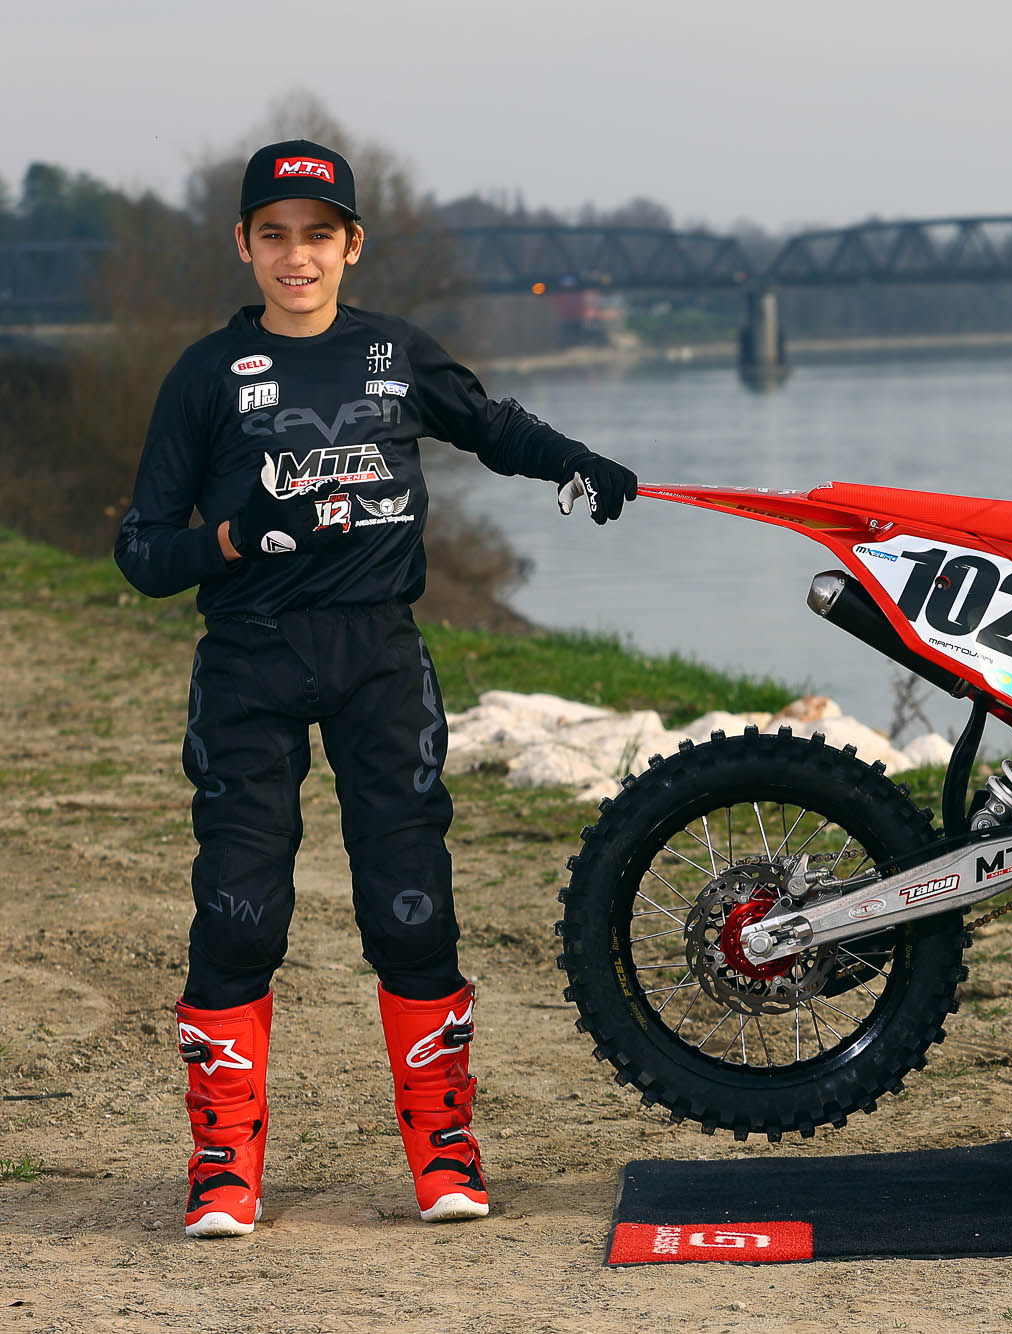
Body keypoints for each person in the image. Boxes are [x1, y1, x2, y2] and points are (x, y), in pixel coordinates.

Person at [113, 139, 638, 1238]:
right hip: (250, 661)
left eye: (318, 236)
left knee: (411, 906)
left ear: (352, 244)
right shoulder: (205, 374)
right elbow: (144, 552)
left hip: (380, 659)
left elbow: (491, 427)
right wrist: (231, 537)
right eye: (274, 236)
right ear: (244, 244)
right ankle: (223, 1167)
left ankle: (444, 1150)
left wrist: (577, 462)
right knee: (240, 910)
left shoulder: (395, 353)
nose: (296, 257)